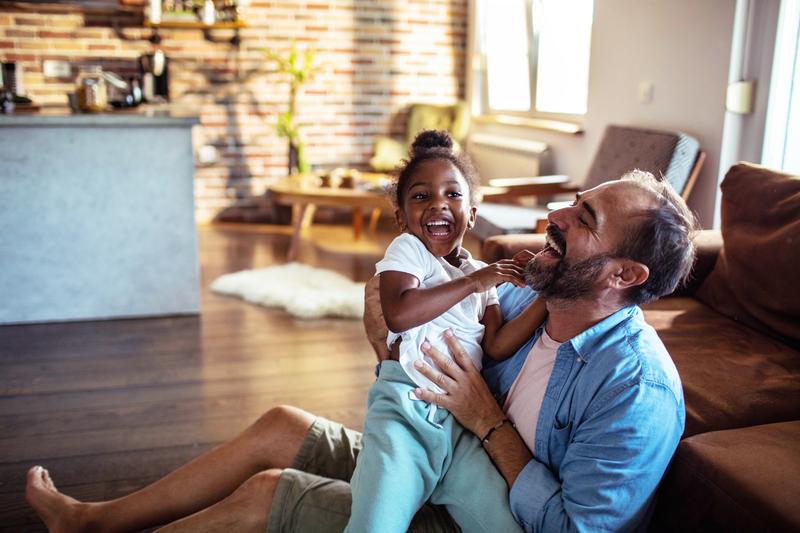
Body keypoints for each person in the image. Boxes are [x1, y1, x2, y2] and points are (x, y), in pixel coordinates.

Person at [25, 170, 697, 532]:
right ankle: (93, 521)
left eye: (582, 222)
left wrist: (486, 418)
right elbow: (442, 357)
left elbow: (568, 528)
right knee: (282, 423)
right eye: (571, 204)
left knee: (267, 495)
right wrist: (389, 345)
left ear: (624, 275)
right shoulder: (528, 301)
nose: (554, 217)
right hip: (442, 455)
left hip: (488, 516)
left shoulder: (635, 389)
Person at [346, 130, 546, 533]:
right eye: (421, 196)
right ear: (402, 217)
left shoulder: (477, 274)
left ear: (471, 213)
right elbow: (400, 314)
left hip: (460, 427)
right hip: (404, 409)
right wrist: (477, 283)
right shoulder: (408, 251)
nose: (438, 203)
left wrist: (547, 294)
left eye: (453, 195)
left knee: (505, 525)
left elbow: (497, 344)